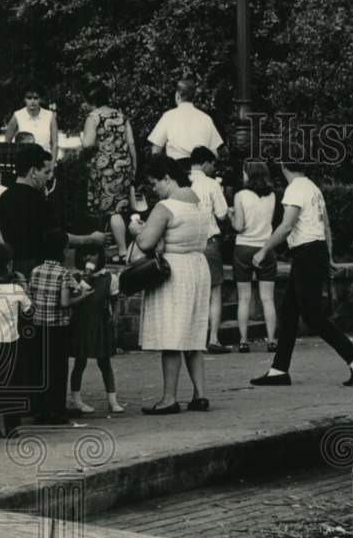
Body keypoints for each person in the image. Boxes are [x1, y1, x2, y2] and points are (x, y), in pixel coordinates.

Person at [249, 163, 353, 387]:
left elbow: (287, 226)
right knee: (289, 311)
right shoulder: (313, 188)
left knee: (312, 315)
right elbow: (325, 225)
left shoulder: (295, 189)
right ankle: (279, 370)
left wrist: (264, 250)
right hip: (313, 252)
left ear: (283, 166)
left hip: (306, 253)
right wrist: (330, 257)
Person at [133, 156, 211, 414]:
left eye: (155, 183)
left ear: (167, 177)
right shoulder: (199, 202)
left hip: (174, 270)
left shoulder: (166, 206)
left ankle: (169, 398)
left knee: (172, 335)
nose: (154, 188)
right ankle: (200, 395)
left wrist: (136, 230)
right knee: (193, 335)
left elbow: (145, 243)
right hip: (198, 267)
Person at [0, 144, 106, 278]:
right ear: (34, 171)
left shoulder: (3, 199)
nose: (49, 177)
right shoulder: (37, 201)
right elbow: (57, 238)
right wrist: (90, 239)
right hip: (39, 272)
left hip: (12, 270)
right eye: (46, 172)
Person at [29, 230, 94, 424]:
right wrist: (84, 296)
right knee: (58, 369)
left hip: (39, 324)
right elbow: (65, 302)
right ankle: (56, 410)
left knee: (41, 368)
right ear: (62, 251)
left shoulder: (35, 270)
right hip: (58, 326)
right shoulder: (63, 273)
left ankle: (39, 409)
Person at [81, 82, 137, 262]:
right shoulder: (121, 115)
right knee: (119, 207)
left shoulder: (93, 116)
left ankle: (121, 251)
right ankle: (116, 250)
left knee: (110, 210)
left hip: (104, 168)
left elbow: (88, 143)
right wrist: (134, 166)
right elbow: (131, 143)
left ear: (90, 100)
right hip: (124, 165)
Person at [67, 246, 124, 415]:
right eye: (85, 255)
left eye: (93, 254)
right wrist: (86, 277)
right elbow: (74, 298)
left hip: (101, 321)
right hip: (82, 322)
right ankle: (76, 400)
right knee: (80, 361)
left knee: (105, 362)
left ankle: (112, 400)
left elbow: (115, 300)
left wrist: (115, 316)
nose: (89, 258)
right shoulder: (76, 276)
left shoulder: (109, 277)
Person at [231, 160, 278, 353]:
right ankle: (271, 340)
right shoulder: (272, 196)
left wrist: (230, 215)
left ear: (249, 175)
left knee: (244, 298)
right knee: (268, 299)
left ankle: (243, 341)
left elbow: (239, 226)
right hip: (265, 248)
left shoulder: (240, 195)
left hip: (243, 248)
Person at [188, 146, 231, 353]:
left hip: (187, 243)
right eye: (213, 164)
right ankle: (213, 338)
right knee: (214, 291)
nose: (214, 169)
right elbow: (222, 215)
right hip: (209, 241)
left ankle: (191, 337)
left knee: (191, 291)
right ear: (205, 163)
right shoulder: (211, 184)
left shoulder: (182, 182)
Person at [0, 243, 33, 437]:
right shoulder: (16, 289)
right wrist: (25, 286)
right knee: (12, 386)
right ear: (9, 265)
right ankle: (11, 426)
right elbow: (29, 310)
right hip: (10, 343)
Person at [147, 80, 223, 167]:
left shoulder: (169, 116)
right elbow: (215, 153)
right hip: (201, 171)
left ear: (177, 95)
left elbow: (156, 149)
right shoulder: (206, 118)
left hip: (176, 171)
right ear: (194, 97)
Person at [4, 85, 58, 161]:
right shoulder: (17, 115)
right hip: (23, 162)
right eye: (29, 98)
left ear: (41, 99)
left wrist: (52, 167)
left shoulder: (50, 116)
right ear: (24, 99)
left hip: (45, 163)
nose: (32, 101)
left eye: (36, 98)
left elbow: (55, 144)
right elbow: (7, 142)